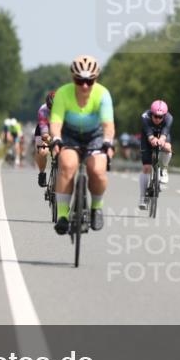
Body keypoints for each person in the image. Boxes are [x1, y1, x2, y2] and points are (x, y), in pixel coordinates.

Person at [49, 55, 115, 234]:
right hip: (69, 135)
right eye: (80, 80)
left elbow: (108, 125)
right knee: (67, 165)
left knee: (98, 171)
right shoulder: (63, 93)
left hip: (95, 136)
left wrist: (108, 142)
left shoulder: (102, 94)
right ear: (73, 78)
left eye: (89, 81)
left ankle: (96, 207)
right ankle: (62, 215)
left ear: (96, 79)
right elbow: (56, 122)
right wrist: (56, 138)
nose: (85, 85)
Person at [138, 100, 173, 209]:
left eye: (160, 117)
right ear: (151, 113)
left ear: (164, 116)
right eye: (155, 116)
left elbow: (165, 133)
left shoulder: (169, 118)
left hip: (162, 133)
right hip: (147, 136)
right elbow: (149, 135)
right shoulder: (145, 117)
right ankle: (142, 197)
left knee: (168, 148)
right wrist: (152, 139)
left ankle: (164, 170)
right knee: (146, 167)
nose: (158, 119)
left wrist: (162, 141)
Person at [34, 90, 57, 187]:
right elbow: (44, 134)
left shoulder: (67, 109)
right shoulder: (43, 110)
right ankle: (42, 173)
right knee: (43, 151)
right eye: (51, 108)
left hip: (59, 127)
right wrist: (52, 141)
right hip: (44, 129)